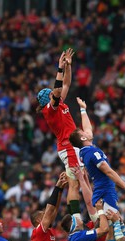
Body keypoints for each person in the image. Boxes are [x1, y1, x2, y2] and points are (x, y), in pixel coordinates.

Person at [69, 97, 125, 241]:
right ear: (82, 138)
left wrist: (83, 110)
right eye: (83, 133)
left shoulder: (87, 150)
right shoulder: (92, 153)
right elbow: (109, 172)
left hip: (103, 191)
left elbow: (88, 129)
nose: (87, 132)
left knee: (116, 225)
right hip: (105, 192)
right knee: (111, 229)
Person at [36, 48, 83, 222]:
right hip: (67, 146)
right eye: (50, 94)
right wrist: (59, 68)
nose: (53, 93)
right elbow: (57, 90)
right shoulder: (50, 109)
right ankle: (76, 219)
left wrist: (68, 66)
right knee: (74, 183)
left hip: (72, 146)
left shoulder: (58, 104)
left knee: (80, 180)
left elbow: (66, 85)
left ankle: (78, 215)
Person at [30, 172, 68, 241]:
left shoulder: (47, 230)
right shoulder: (38, 231)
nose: (46, 214)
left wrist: (61, 190)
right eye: (43, 214)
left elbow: (54, 210)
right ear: (38, 220)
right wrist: (57, 187)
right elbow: (50, 210)